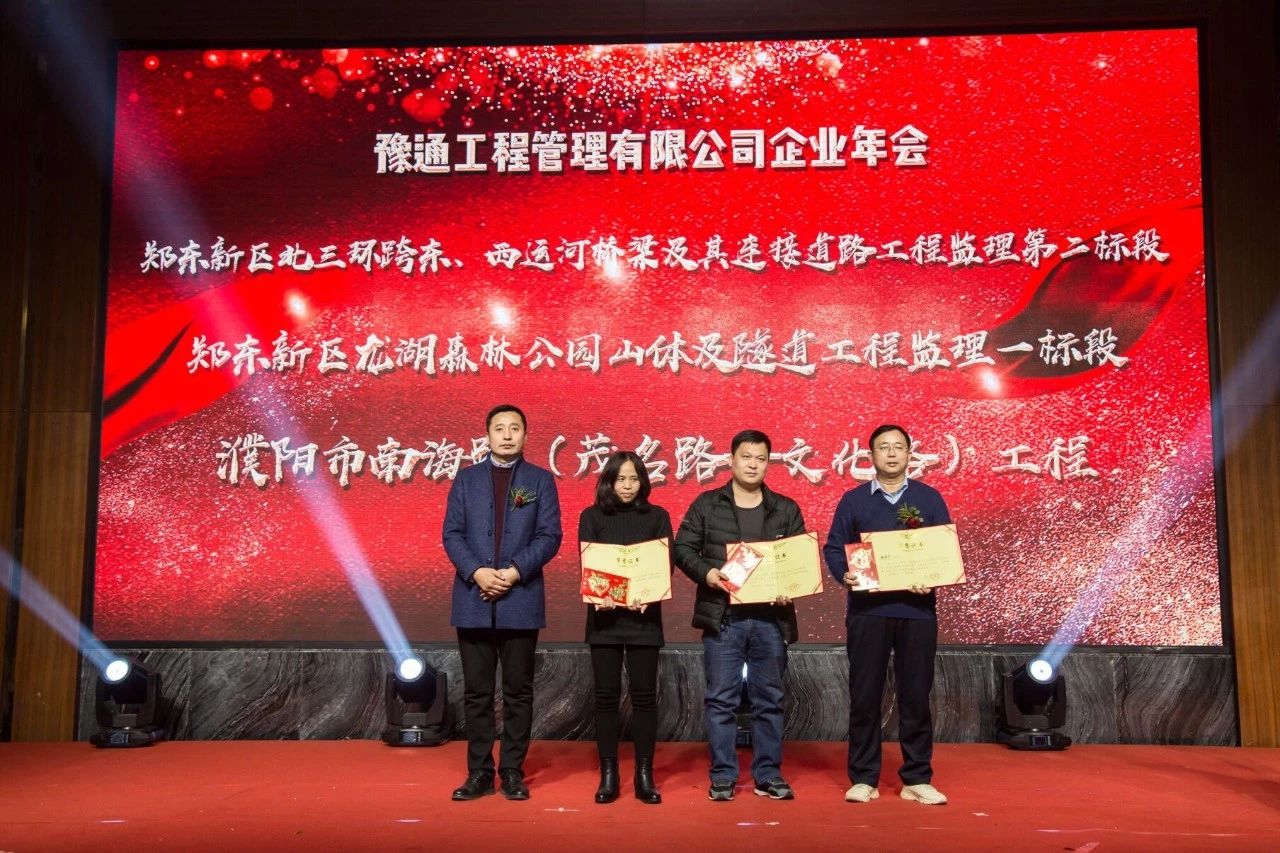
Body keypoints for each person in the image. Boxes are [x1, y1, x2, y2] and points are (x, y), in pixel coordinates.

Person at [822, 423, 951, 806]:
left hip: (917, 612)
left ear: (909, 454)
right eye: (883, 447)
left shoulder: (929, 499)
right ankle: (864, 777)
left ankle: (917, 777)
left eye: (898, 447)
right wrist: (843, 574)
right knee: (865, 696)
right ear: (871, 455)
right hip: (868, 612)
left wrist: (933, 576)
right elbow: (834, 548)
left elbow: (944, 549)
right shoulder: (854, 501)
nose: (891, 453)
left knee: (916, 696)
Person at [673, 429, 805, 802]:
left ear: (768, 464)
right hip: (724, 617)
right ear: (731, 460)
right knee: (721, 700)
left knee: (770, 699)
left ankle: (768, 774)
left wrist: (790, 586)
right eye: (746, 457)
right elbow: (682, 548)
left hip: (771, 620)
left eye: (760, 459)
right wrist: (708, 573)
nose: (752, 464)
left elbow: (797, 560)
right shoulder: (707, 504)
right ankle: (723, 775)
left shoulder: (785, 508)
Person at [443, 404, 562, 801]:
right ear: (487, 435)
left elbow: (549, 536)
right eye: (499, 428)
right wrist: (477, 571)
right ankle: (479, 773)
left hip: (520, 600)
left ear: (525, 435)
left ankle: (512, 771)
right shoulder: (466, 479)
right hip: (473, 599)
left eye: (515, 428)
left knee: (518, 693)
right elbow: (452, 534)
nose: (507, 435)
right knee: (477, 693)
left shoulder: (539, 480)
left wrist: (513, 573)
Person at [578, 451, 672, 805]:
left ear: (643, 482)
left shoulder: (658, 517)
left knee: (645, 698)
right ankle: (609, 774)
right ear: (609, 482)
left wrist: (649, 592)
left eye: (634, 479)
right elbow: (589, 563)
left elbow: (665, 564)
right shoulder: (591, 517)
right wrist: (600, 594)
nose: (628, 485)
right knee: (605, 698)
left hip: (644, 620)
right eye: (621, 479)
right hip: (604, 621)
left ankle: (644, 774)